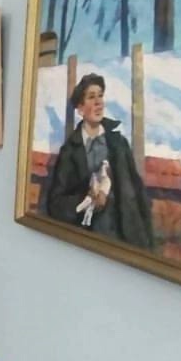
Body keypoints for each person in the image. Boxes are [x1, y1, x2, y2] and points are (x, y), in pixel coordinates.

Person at [45, 73, 153, 249]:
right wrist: (86, 198)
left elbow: (137, 193)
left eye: (100, 96)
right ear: (80, 108)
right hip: (87, 241)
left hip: (123, 239)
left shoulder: (119, 144)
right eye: (91, 97)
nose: (98, 103)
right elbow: (56, 204)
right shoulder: (69, 152)